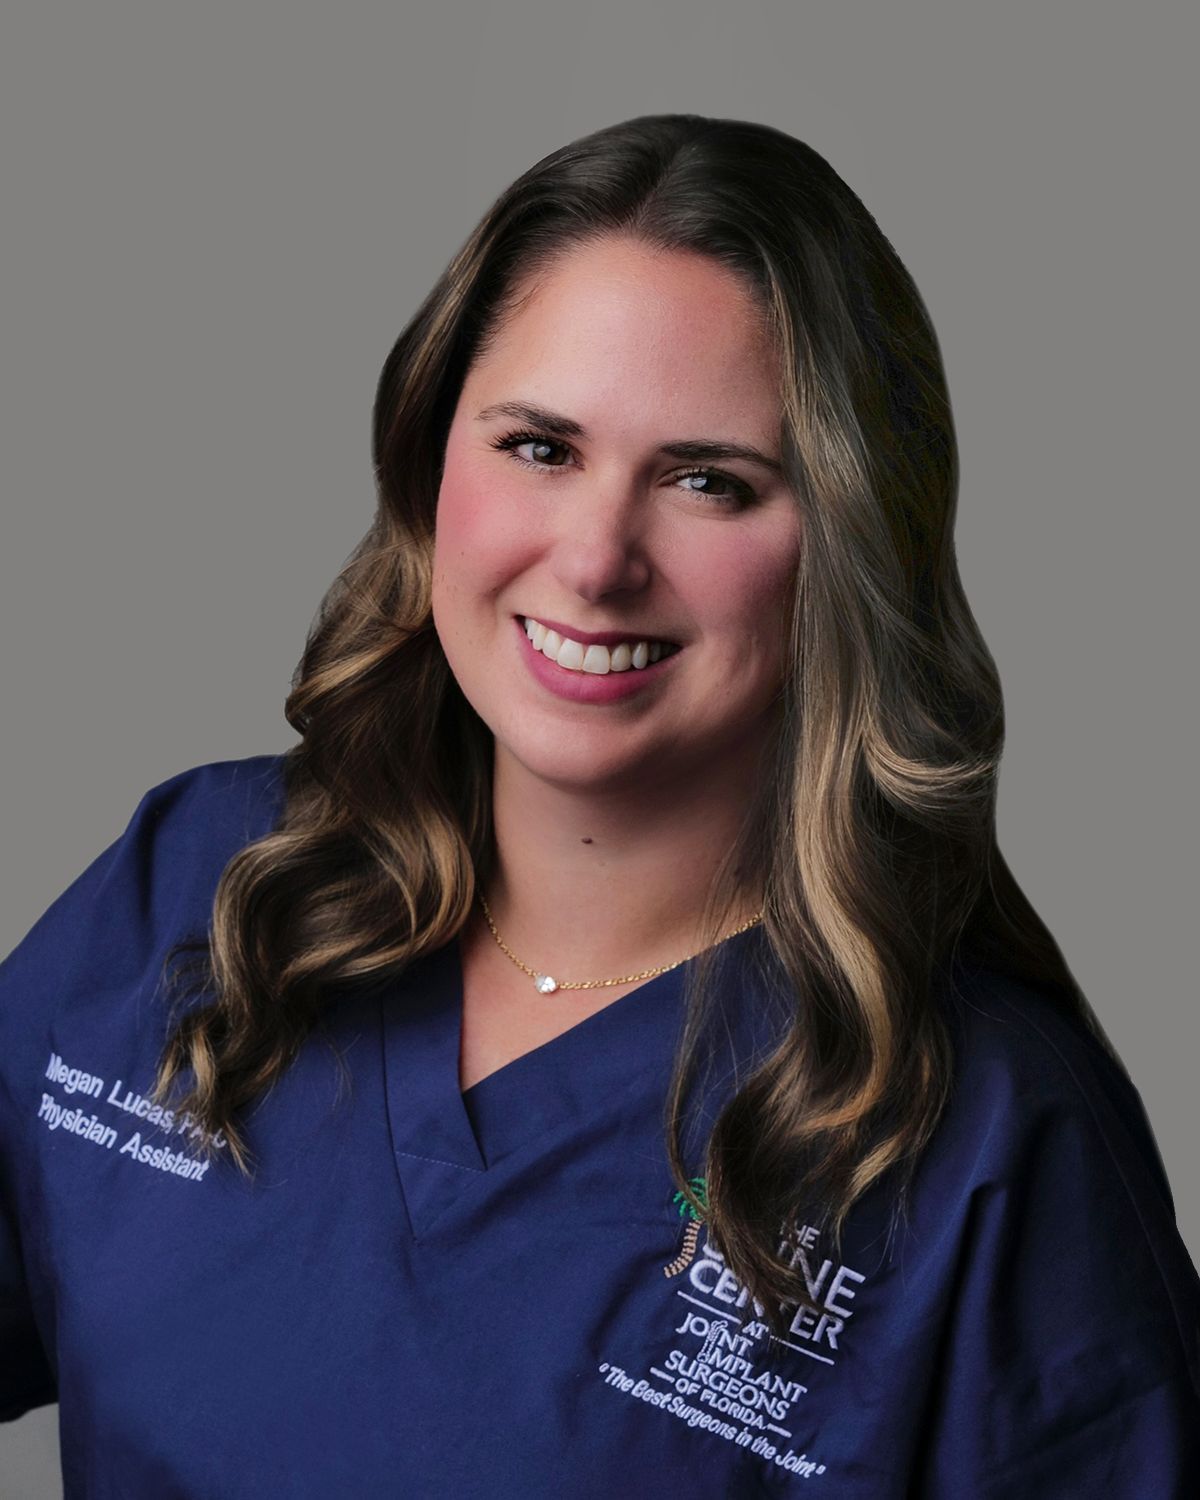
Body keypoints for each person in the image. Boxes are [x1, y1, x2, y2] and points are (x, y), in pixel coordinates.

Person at [1, 113, 1197, 1498]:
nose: (594, 560)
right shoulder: (201, 889)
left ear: (851, 549)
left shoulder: (987, 1141)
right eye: (539, 446)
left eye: (709, 482)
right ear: (428, 458)